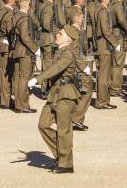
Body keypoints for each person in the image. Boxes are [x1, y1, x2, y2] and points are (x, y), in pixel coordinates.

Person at [30, 24, 81, 174]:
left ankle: (66, 164)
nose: (57, 35)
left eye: (61, 34)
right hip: (55, 94)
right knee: (43, 124)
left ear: (68, 39)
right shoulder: (59, 51)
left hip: (66, 95)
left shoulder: (68, 54)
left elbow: (56, 68)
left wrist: (37, 79)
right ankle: (61, 155)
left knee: (63, 130)